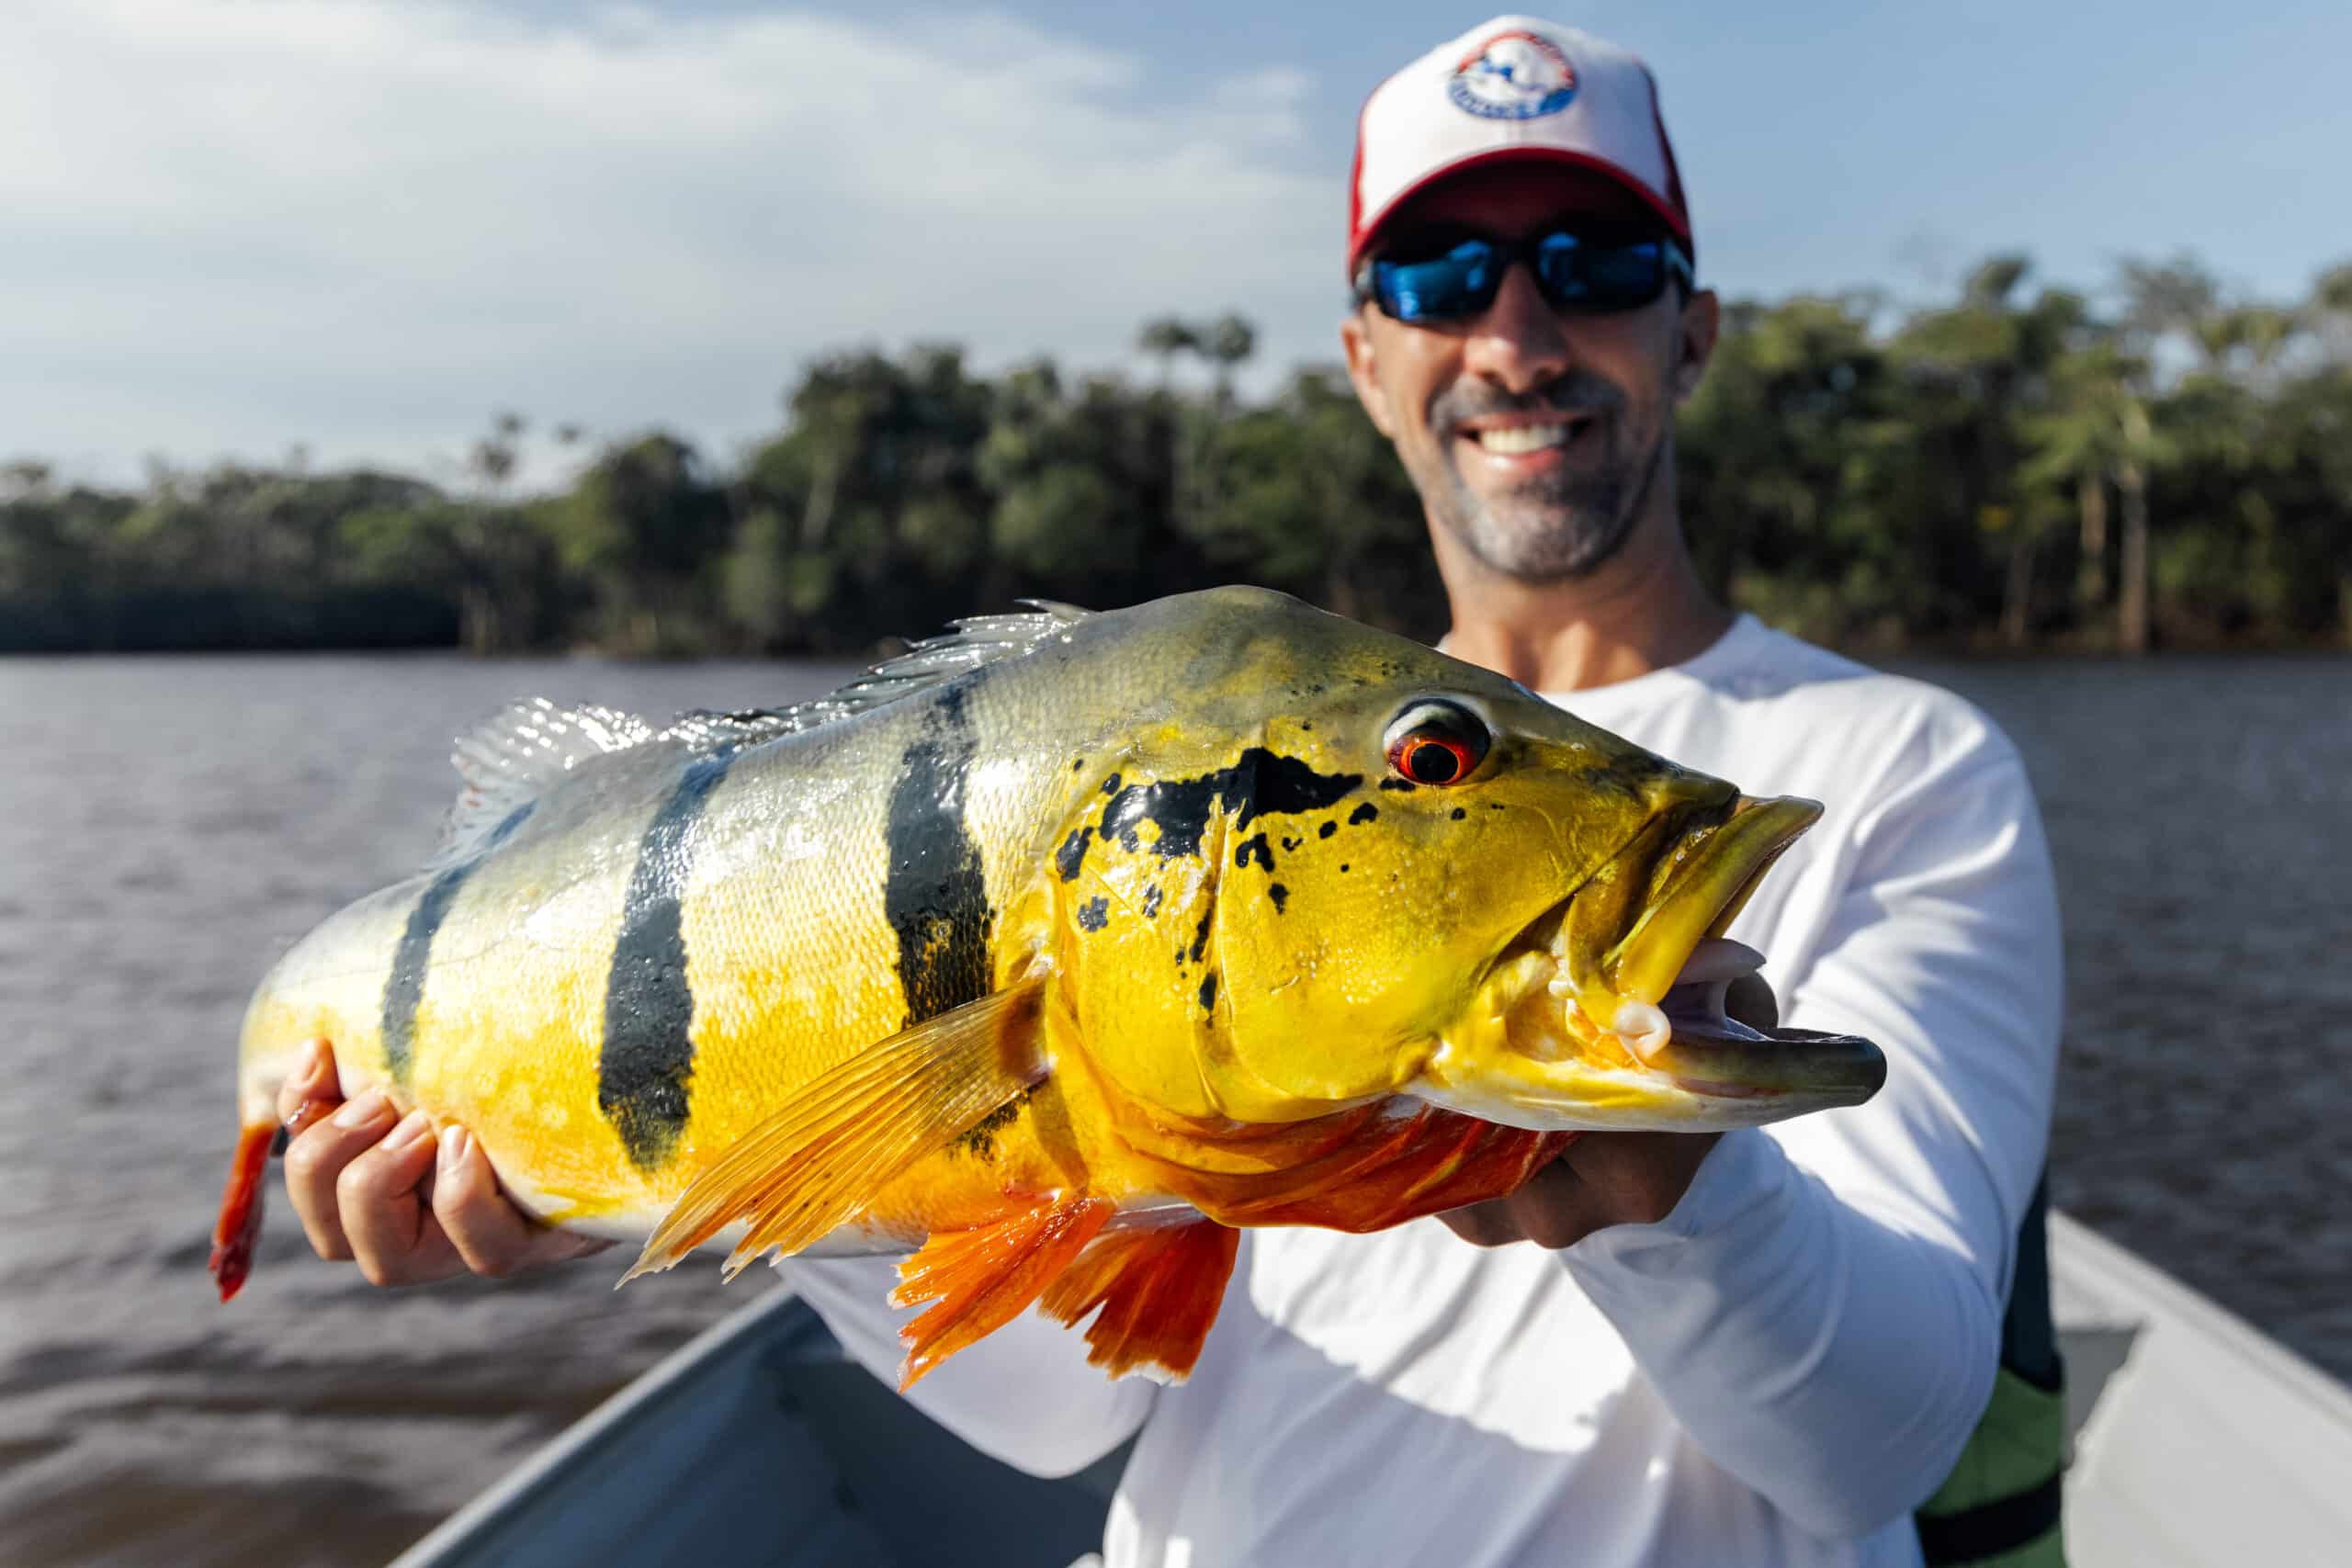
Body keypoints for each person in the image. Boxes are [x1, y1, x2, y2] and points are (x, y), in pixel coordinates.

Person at [275, 17, 2064, 1566]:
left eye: (1591, 263)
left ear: (1690, 330)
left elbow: (1878, 1435)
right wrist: (638, 1173)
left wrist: (1683, 1187)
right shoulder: (1204, 783)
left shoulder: (1900, 767)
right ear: (1367, 358)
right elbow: (1060, 1408)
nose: (1514, 334)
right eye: (1441, 277)